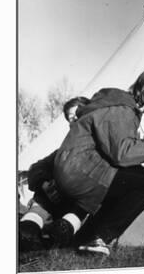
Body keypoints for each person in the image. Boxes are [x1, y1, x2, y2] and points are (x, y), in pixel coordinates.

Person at [49, 65, 144, 256]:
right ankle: (96, 237)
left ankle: (81, 236)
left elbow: (116, 150)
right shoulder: (123, 109)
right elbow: (122, 154)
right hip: (82, 171)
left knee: (136, 178)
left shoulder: (117, 105)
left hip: (77, 168)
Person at [19, 96, 91, 252]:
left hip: (77, 206)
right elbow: (36, 169)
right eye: (71, 119)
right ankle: (27, 231)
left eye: (80, 115)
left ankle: (58, 233)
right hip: (51, 201)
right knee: (35, 214)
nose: (75, 121)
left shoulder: (104, 148)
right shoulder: (64, 150)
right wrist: (45, 184)